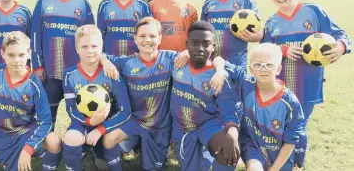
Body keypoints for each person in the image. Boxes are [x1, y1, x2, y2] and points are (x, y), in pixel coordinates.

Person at [101, 17, 226, 170]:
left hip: (160, 127)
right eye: (142, 36)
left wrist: (216, 68)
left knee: (152, 168)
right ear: (135, 39)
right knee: (108, 139)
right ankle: (122, 155)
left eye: (153, 36)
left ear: (160, 38)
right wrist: (106, 62)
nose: (147, 40)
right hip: (134, 121)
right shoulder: (126, 63)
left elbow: (215, 58)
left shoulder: (171, 59)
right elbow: (101, 56)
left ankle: (148, 150)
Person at [261, 0, 351, 169]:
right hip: (280, 85)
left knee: (298, 127)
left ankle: (297, 164)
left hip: (307, 85)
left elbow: (342, 35)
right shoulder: (272, 23)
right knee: (280, 125)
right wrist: (283, 50)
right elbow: (265, 51)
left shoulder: (314, 12)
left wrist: (340, 47)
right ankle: (278, 160)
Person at [0, 31, 62, 171]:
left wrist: (28, 147)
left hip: (25, 131)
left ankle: (44, 163)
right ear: (2, 54)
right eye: (11, 55)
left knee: (54, 141)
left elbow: (45, 121)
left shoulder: (34, 85)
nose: (16, 60)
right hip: (2, 137)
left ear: (28, 53)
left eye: (21, 55)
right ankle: (4, 157)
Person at [214, 43, 306, 171]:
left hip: (279, 153)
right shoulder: (246, 83)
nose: (263, 69)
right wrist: (219, 72)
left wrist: (274, 169)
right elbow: (219, 60)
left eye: (269, 65)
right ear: (251, 69)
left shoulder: (290, 103)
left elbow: (291, 141)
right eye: (258, 65)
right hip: (252, 145)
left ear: (278, 69)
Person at [31, 0, 95, 126]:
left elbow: (92, 39)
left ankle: (80, 144)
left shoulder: (83, 4)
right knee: (47, 110)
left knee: (80, 108)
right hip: (49, 71)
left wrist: (89, 66)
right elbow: (35, 35)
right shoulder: (44, 2)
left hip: (76, 71)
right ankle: (46, 145)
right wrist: (37, 65)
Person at [170, 21, 241, 171]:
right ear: (187, 44)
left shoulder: (218, 76)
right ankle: (205, 158)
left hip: (208, 125)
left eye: (206, 44)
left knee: (229, 153)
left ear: (213, 47)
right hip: (183, 129)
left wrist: (232, 133)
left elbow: (228, 109)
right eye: (194, 43)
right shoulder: (175, 63)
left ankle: (210, 153)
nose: (200, 48)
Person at [62, 25, 131, 171]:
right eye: (84, 46)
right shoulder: (69, 75)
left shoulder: (111, 72)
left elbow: (125, 111)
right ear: (76, 48)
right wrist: (89, 121)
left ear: (102, 46)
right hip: (83, 123)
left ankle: (100, 152)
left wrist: (100, 129)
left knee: (103, 165)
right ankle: (81, 152)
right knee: (71, 138)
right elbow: (71, 109)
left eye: (94, 45)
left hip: (108, 125)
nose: (90, 51)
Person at [201, 0, 260, 68]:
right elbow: (202, 32)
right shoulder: (208, 3)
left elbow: (259, 33)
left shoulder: (245, 0)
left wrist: (255, 37)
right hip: (211, 63)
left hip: (237, 64)